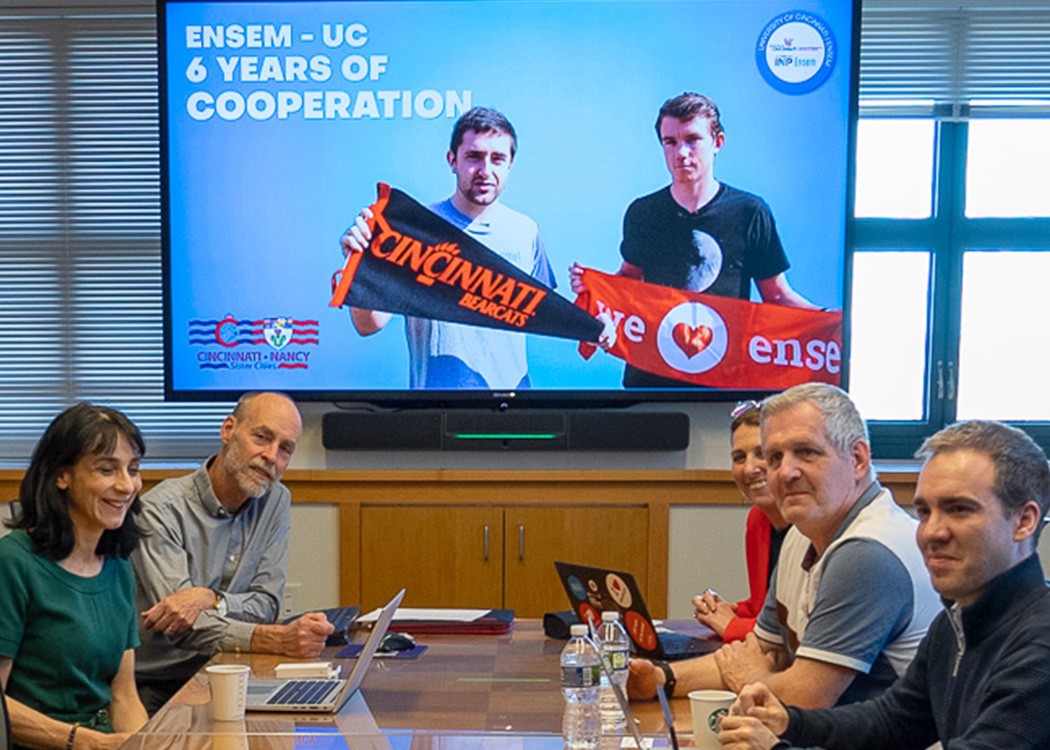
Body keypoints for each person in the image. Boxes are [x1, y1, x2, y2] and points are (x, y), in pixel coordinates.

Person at [717, 420, 1050, 750]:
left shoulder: (1040, 647)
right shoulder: (957, 621)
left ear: (1024, 521)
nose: (932, 532)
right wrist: (789, 722)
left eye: (959, 510)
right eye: (924, 512)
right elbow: (893, 720)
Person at [628, 383, 939, 709]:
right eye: (775, 457)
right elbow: (761, 652)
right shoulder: (800, 535)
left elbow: (805, 699)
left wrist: (753, 678)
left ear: (858, 459)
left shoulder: (867, 553)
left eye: (806, 452)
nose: (785, 472)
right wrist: (659, 679)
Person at [570, 92, 819, 387]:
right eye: (670, 142)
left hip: (724, 383)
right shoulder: (643, 213)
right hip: (651, 379)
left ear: (717, 143)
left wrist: (834, 324)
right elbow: (629, 280)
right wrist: (598, 290)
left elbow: (777, 295)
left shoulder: (750, 213)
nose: (681, 153)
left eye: (692, 139)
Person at [132, 392, 334, 713]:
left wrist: (212, 599)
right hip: (161, 684)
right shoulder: (159, 510)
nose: (271, 456)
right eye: (262, 437)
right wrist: (275, 639)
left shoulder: (275, 500)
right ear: (228, 430)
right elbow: (185, 627)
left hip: (236, 672)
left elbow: (267, 603)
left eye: (285, 449)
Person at [341, 106, 558, 390]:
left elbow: (551, 315)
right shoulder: (415, 230)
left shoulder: (526, 231)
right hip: (435, 410)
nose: (485, 171)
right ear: (452, 160)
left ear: (510, 165)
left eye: (498, 159)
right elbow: (369, 325)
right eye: (474, 157)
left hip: (511, 410)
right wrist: (362, 267)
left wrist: (597, 321)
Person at [0, 403, 149, 749]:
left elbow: (123, 694)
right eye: (106, 469)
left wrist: (141, 743)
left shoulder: (118, 565)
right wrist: (81, 741)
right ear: (61, 475)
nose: (127, 485)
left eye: (133, 469)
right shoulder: (13, 562)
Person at [693, 401, 791, 643]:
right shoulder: (758, 519)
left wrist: (732, 626)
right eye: (739, 457)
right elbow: (764, 607)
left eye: (762, 454)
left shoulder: (812, 526)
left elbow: (798, 631)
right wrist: (720, 610)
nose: (749, 469)